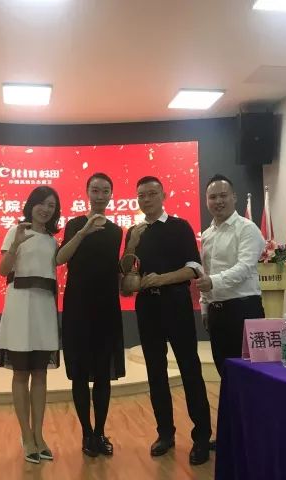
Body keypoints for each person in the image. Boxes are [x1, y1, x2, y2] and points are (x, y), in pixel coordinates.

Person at [122, 176, 212, 466]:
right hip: (147, 307)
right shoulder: (134, 231)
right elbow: (127, 275)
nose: (146, 199)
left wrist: (162, 278)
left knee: (190, 369)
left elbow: (194, 268)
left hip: (176, 304)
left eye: (151, 193)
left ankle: (201, 436)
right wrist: (131, 245)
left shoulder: (180, 227)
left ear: (163, 195)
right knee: (155, 372)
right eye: (141, 195)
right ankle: (165, 433)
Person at [56, 173, 125, 457]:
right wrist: (84, 231)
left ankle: (100, 432)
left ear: (111, 195)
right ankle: (86, 433)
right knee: (80, 375)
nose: (100, 195)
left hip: (107, 308)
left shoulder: (117, 231)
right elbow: (60, 258)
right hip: (78, 308)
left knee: (103, 376)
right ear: (87, 192)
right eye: (95, 190)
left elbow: (114, 268)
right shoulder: (74, 225)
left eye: (105, 191)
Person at [0, 186, 61, 464]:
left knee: (40, 374)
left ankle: (39, 435)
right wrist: (15, 245)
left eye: (51, 206)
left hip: (44, 308)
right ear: (31, 205)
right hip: (20, 307)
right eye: (41, 203)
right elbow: (2, 270)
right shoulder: (16, 231)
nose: (45, 209)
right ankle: (26, 436)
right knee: (21, 374)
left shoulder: (53, 241)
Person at [196, 174, 266, 378]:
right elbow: (205, 273)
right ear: (206, 201)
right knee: (224, 372)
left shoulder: (247, 228)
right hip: (216, 313)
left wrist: (212, 282)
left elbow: (244, 267)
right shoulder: (207, 235)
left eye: (223, 195)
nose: (218, 201)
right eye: (212, 197)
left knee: (249, 374)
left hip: (243, 310)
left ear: (234, 197)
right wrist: (205, 308)